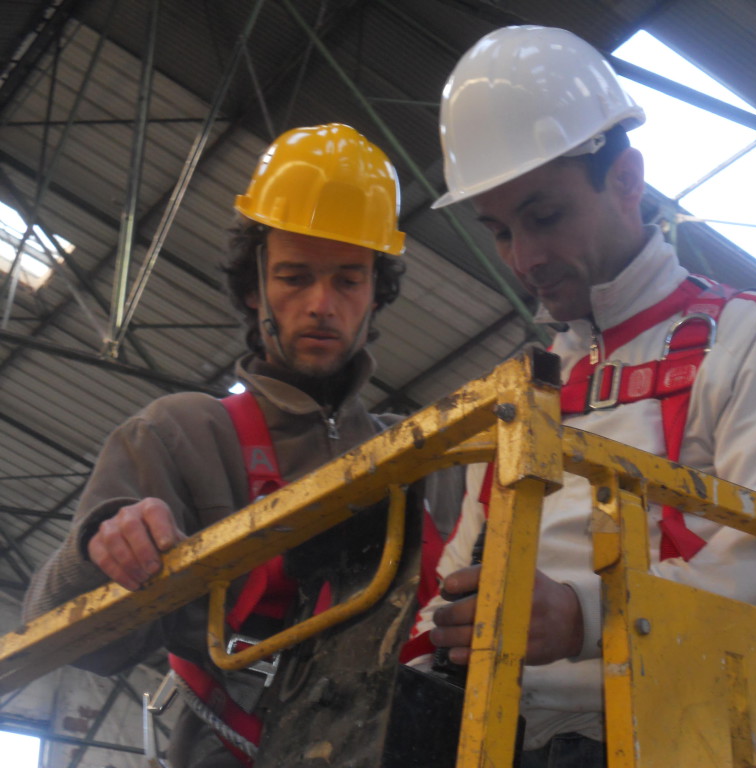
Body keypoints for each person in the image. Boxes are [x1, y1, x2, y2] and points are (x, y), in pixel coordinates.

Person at [409, 26, 756, 767]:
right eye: (499, 231)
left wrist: (585, 617)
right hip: (489, 736)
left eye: (544, 217)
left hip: (666, 733)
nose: (526, 259)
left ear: (626, 179)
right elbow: (463, 570)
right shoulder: (519, 395)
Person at [22, 123, 456, 767]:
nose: (320, 305)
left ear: (376, 291)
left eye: (347, 280)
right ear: (256, 289)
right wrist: (99, 548)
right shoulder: (180, 436)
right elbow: (69, 637)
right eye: (294, 277)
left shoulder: (426, 457)